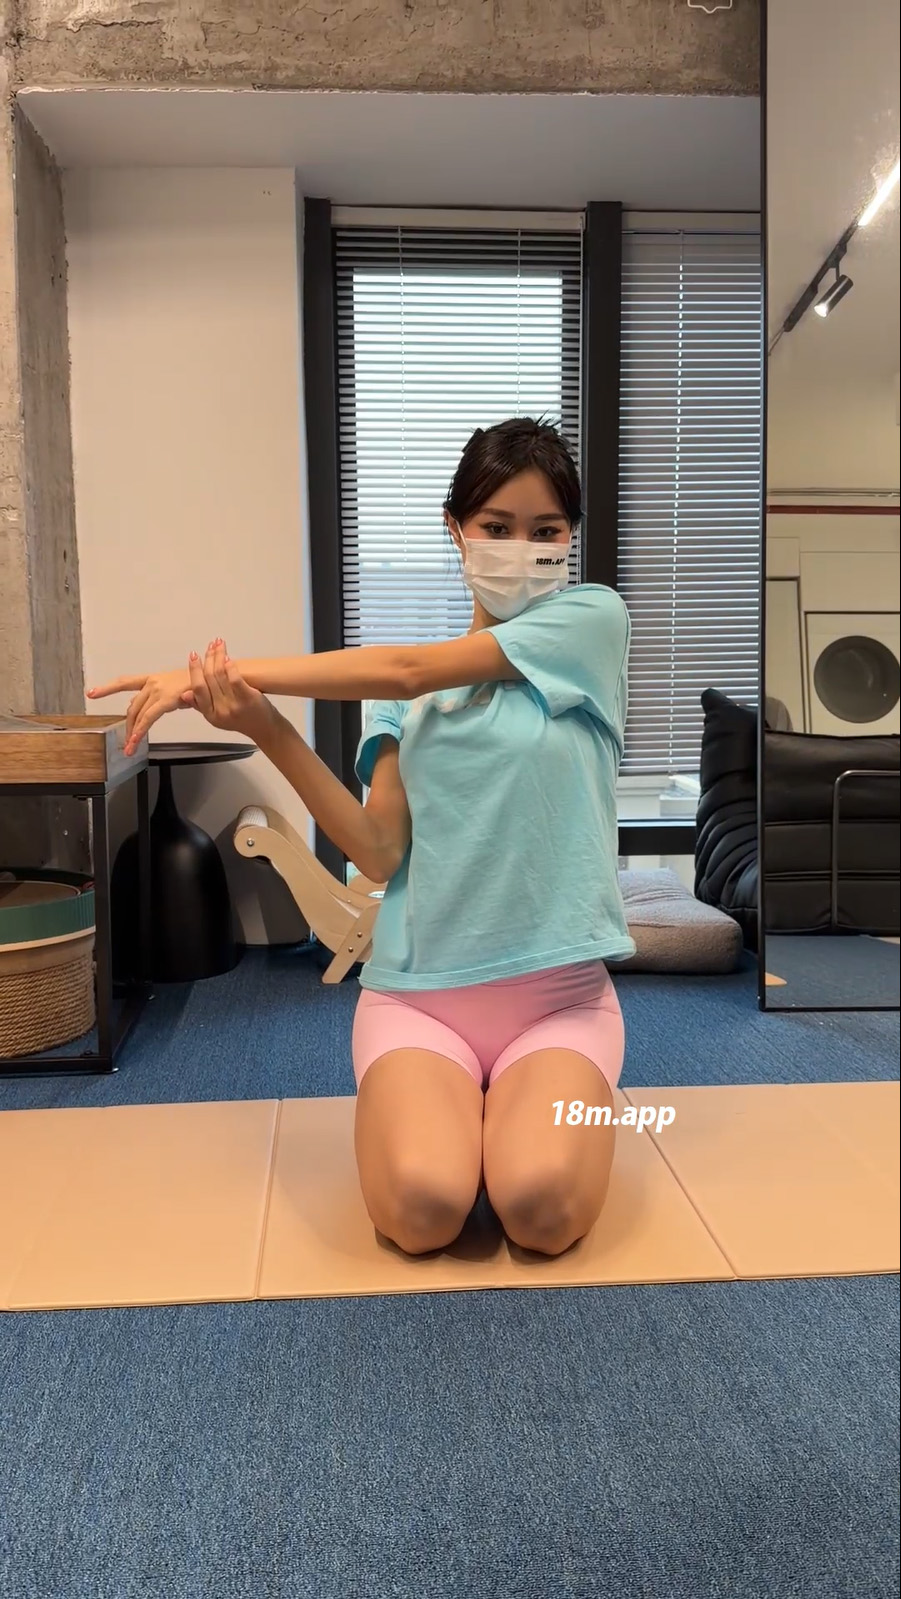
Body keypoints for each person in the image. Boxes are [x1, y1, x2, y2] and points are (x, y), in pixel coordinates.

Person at [89, 418, 635, 1259]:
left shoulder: (591, 622)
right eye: (495, 526)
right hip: (420, 996)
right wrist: (265, 724)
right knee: (422, 1210)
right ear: (455, 528)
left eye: (545, 531)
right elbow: (378, 850)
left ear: (570, 539)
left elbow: (407, 667)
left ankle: (514, 1108)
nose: (520, 550)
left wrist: (218, 674)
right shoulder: (404, 705)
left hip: (560, 1002)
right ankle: (452, 1106)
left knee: (540, 1207)